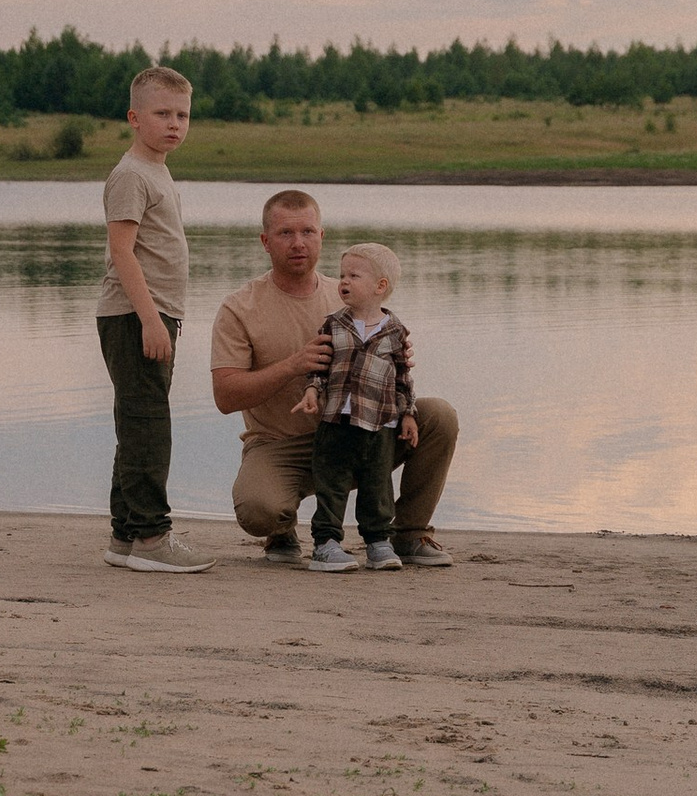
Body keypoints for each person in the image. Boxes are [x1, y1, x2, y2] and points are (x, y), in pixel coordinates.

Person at [208, 187, 461, 561]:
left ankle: (408, 533)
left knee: (439, 416)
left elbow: (389, 351)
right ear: (265, 241)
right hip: (281, 445)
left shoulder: (350, 290)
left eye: (308, 232)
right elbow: (225, 397)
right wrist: (294, 366)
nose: (299, 243)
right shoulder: (239, 307)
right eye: (285, 234)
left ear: (321, 236)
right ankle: (281, 531)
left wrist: (393, 361)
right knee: (259, 510)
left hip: (358, 431)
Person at [96, 65, 210, 571]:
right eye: (162, 113)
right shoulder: (130, 175)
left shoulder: (156, 170)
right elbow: (123, 252)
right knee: (148, 424)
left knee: (137, 422)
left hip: (153, 314)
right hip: (134, 315)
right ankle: (151, 538)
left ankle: (124, 537)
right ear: (134, 117)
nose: (174, 123)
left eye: (182, 115)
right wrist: (150, 320)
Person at [304, 241, 416, 570]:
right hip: (336, 420)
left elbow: (403, 378)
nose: (344, 282)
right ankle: (326, 543)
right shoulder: (333, 325)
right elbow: (319, 368)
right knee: (332, 481)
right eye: (341, 275)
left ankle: (378, 542)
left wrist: (409, 414)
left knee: (377, 482)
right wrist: (312, 391)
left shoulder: (395, 332)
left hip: (379, 423)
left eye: (354, 275)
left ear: (381, 286)